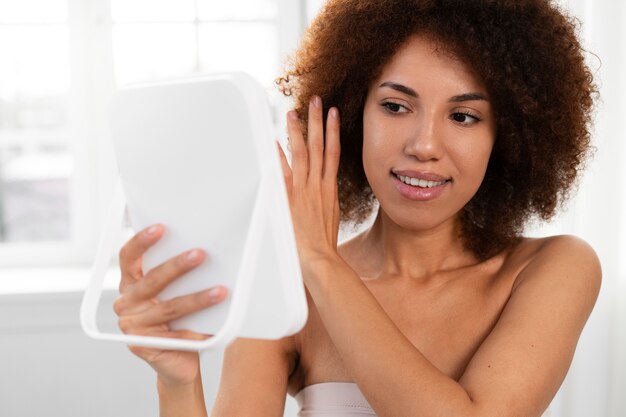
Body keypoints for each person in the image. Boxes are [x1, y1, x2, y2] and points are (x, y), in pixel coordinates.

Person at [113, 0, 601, 416]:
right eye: (395, 106)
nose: (425, 145)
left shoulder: (552, 268)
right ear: (351, 116)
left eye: (463, 116)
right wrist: (176, 382)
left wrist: (323, 265)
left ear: (507, 138)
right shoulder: (288, 284)